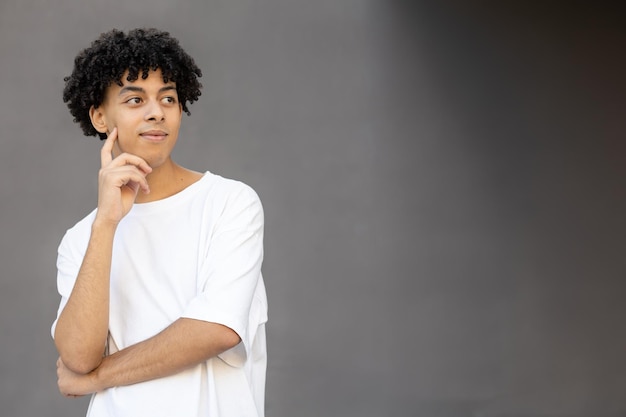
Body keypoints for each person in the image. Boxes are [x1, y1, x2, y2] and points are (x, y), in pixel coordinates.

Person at [51, 28, 267, 417]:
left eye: (168, 97)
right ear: (100, 117)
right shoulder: (81, 237)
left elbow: (216, 329)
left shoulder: (230, 203)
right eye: (135, 99)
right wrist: (106, 224)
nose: (157, 111)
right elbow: (78, 357)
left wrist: (99, 378)